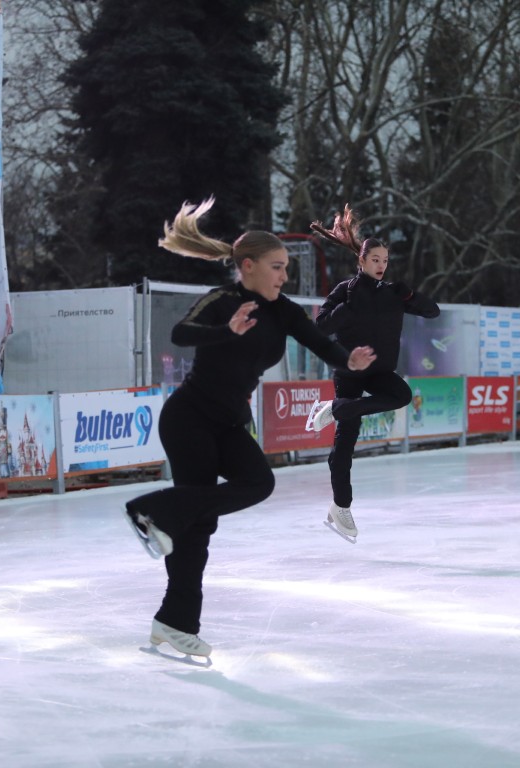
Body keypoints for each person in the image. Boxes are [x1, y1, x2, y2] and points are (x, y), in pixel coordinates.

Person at [124, 197, 376, 658]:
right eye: (276, 267)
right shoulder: (225, 301)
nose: (284, 275)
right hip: (190, 418)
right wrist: (228, 332)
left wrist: (351, 361)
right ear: (248, 267)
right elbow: (180, 335)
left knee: (257, 484)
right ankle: (176, 618)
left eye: (284, 268)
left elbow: (320, 343)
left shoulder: (284, 311)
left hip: (229, 421)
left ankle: (158, 519)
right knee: (198, 529)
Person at [305, 205, 439, 541]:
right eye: (375, 259)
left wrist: (410, 294)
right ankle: (340, 507)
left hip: (380, 371)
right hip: (349, 372)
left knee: (402, 394)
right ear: (361, 261)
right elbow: (320, 327)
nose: (381, 265)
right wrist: (347, 309)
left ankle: (336, 409)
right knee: (345, 444)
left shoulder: (393, 293)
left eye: (385, 260)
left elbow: (432, 311)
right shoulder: (346, 290)